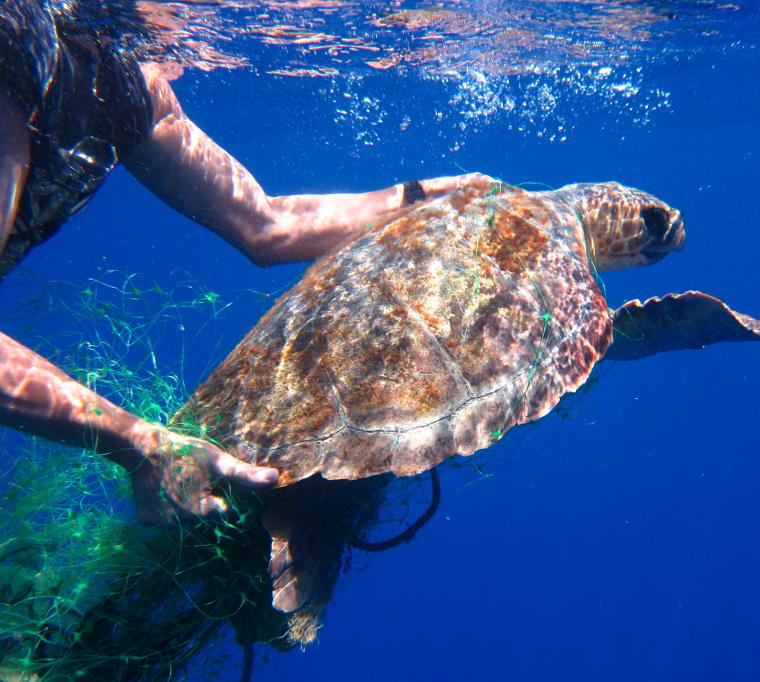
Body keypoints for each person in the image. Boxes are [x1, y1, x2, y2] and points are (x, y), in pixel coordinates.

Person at [0, 0, 486, 524]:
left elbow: (267, 227)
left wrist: (413, 199)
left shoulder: (127, 88)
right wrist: (137, 441)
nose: (190, 45)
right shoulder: (15, 47)